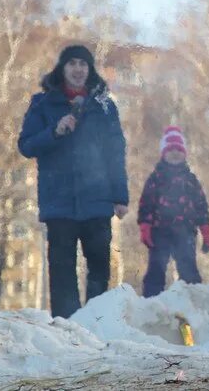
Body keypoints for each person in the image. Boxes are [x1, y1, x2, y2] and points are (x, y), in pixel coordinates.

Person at [17, 45, 128, 318]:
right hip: (59, 202)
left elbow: (116, 151)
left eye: (83, 64)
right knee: (62, 268)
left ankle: (97, 323)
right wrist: (54, 131)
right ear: (62, 68)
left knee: (100, 267)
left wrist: (120, 196)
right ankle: (66, 329)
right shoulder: (42, 104)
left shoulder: (104, 106)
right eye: (72, 63)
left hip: (97, 200)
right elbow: (26, 145)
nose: (78, 69)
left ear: (90, 71)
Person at [137, 127, 209, 297]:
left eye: (179, 149)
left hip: (185, 231)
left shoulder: (191, 180)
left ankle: (194, 299)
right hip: (159, 231)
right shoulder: (156, 178)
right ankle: (151, 302)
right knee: (156, 268)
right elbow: (146, 204)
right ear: (163, 153)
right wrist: (145, 227)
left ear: (184, 153)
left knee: (188, 268)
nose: (175, 153)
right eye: (170, 149)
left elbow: (201, 206)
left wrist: (205, 232)